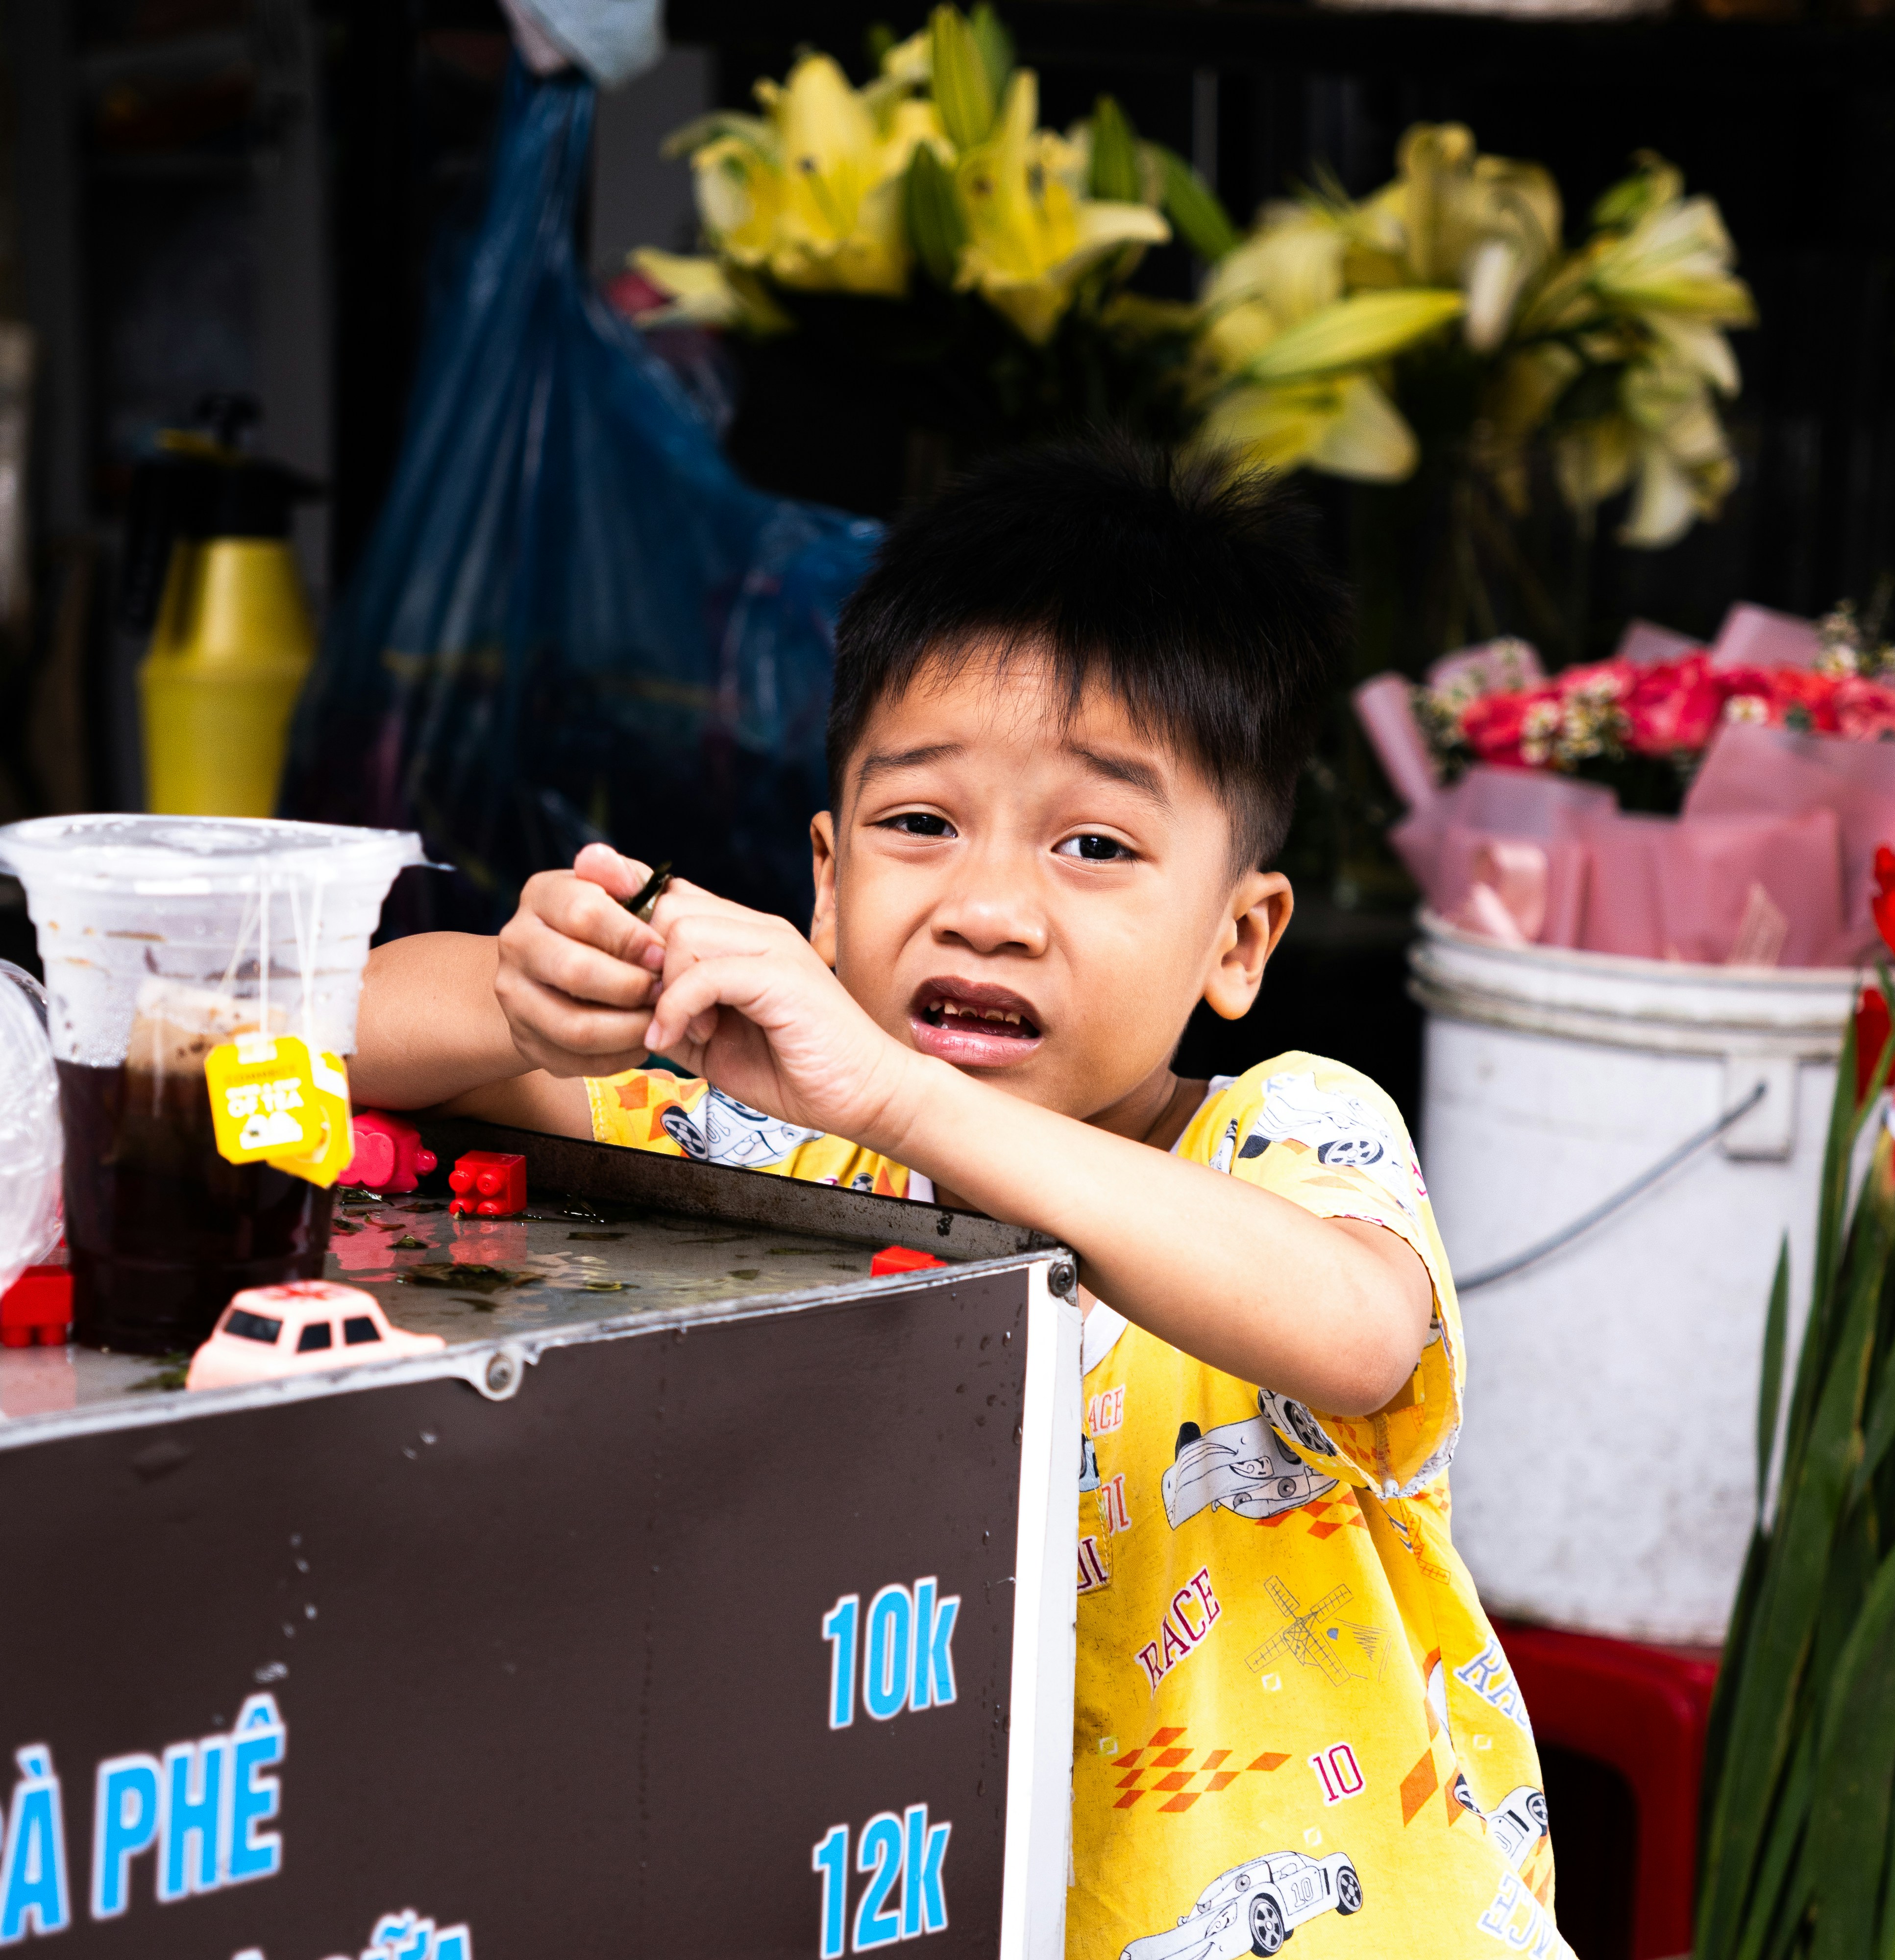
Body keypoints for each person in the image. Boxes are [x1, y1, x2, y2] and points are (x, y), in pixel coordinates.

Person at [351, 438, 1568, 1957]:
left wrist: (895, 1090)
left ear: (1241, 941)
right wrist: (530, 997)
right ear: (828, 879)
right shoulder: (765, 1134)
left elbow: (1355, 1331)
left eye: (1096, 846)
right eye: (921, 823)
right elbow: (338, 1028)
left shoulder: (1280, 1133)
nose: (990, 909)